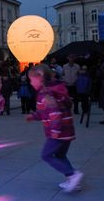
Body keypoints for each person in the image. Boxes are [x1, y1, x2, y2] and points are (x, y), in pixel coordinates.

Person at [26, 64, 83, 192]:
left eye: (31, 79)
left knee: (46, 155)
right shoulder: (54, 90)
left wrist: (55, 131)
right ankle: (73, 180)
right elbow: (46, 112)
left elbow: (54, 113)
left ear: (40, 78)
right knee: (60, 155)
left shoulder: (45, 94)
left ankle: (73, 175)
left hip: (58, 131)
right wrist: (34, 116)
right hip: (66, 130)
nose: (30, 82)